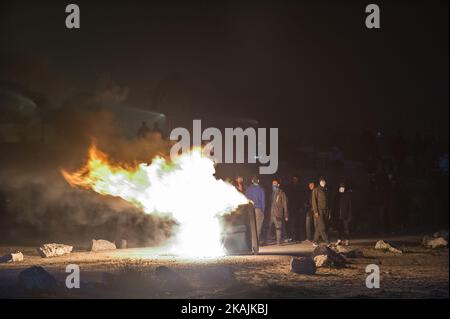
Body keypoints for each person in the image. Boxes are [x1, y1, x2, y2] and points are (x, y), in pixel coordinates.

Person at [267, 179, 288, 245]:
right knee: (268, 227)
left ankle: (278, 241)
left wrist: (286, 215)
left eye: (275, 183)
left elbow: (285, 204)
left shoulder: (282, 193)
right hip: (271, 213)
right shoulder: (272, 193)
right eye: (273, 183)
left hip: (278, 213)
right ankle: (268, 240)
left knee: (278, 227)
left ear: (278, 184)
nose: (274, 185)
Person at [245, 176, 266, 242]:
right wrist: (263, 210)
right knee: (258, 226)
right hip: (258, 209)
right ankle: (256, 241)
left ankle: (251, 241)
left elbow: (246, 199)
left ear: (252, 181)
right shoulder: (261, 189)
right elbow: (263, 201)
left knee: (251, 226)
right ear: (258, 181)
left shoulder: (248, 189)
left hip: (250, 210)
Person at [286, 175, 305, 241]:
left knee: (298, 223)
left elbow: (302, 198)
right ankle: (293, 237)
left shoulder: (300, 187)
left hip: (298, 208)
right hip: (291, 208)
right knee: (292, 223)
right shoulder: (289, 187)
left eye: (296, 179)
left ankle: (298, 237)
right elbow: (288, 198)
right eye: (294, 179)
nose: (295, 180)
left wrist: (301, 207)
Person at [312, 176, 330, 246]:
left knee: (319, 227)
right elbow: (314, 202)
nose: (323, 182)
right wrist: (316, 211)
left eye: (324, 181)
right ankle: (327, 241)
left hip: (325, 211)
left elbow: (327, 202)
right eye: (322, 181)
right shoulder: (316, 190)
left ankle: (315, 241)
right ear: (319, 182)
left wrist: (328, 211)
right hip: (319, 211)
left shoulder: (325, 190)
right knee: (322, 226)